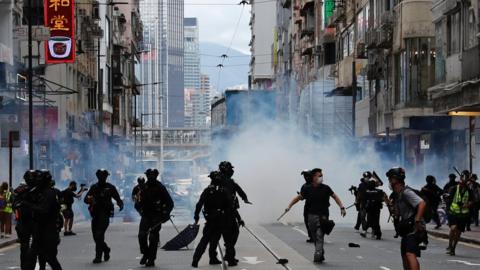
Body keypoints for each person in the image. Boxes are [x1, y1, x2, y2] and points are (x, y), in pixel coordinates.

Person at [286, 168, 346, 263]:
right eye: (319, 175)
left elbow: (335, 196)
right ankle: (320, 251)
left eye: (322, 175)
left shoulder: (326, 188)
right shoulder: (306, 188)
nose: (321, 177)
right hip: (311, 216)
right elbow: (298, 198)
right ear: (313, 177)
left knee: (319, 235)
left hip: (323, 216)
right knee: (314, 236)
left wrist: (342, 207)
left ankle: (317, 254)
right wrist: (289, 206)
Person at [387, 167, 426, 270]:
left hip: (415, 228)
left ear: (395, 180)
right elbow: (398, 213)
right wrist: (391, 207)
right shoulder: (398, 195)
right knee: (405, 255)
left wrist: (417, 220)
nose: (389, 182)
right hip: (407, 229)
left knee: (410, 254)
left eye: (390, 179)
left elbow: (422, 203)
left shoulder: (406, 192)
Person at [192, 171, 233, 268]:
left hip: (210, 220)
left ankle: (196, 260)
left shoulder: (207, 190)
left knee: (205, 240)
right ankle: (231, 261)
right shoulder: (224, 190)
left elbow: (199, 204)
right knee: (228, 241)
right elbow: (230, 206)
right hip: (222, 220)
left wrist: (196, 216)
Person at [213, 161, 251, 265]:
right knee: (231, 235)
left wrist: (244, 198)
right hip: (227, 213)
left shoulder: (217, 180)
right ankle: (230, 259)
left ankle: (216, 257)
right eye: (230, 168)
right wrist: (245, 199)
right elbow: (237, 190)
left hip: (218, 213)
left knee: (219, 236)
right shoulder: (227, 181)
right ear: (226, 169)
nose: (232, 171)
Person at [84, 169, 124, 264]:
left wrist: (120, 204)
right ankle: (106, 249)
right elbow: (86, 199)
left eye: (104, 176)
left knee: (99, 235)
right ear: (97, 176)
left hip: (105, 214)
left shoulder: (110, 187)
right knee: (96, 237)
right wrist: (90, 200)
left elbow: (118, 198)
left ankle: (98, 256)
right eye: (100, 175)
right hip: (95, 215)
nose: (102, 177)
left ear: (106, 177)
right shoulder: (94, 187)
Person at [26, 170, 63, 270]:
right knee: (31, 256)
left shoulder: (50, 193)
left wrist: (28, 205)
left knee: (50, 258)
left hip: (49, 230)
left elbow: (44, 210)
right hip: (39, 230)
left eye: (39, 179)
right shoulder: (38, 191)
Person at [136, 169, 174, 267]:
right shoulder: (142, 187)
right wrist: (140, 209)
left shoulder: (161, 187)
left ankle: (151, 259)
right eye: (149, 175)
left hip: (156, 216)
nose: (151, 177)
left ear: (156, 176)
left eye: (153, 175)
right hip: (145, 215)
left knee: (153, 237)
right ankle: (146, 254)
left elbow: (170, 203)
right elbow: (137, 202)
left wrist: (165, 213)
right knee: (141, 236)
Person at [13, 170, 38, 270]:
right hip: (25, 222)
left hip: (35, 221)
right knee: (25, 247)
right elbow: (15, 205)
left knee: (35, 247)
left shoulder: (39, 191)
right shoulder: (22, 191)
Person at [445, 170, 474, 256]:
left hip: (463, 214)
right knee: (453, 228)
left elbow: (472, 201)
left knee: (458, 232)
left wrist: (468, 204)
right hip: (453, 212)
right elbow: (448, 199)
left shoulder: (469, 191)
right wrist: (448, 210)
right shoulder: (453, 188)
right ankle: (450, 245)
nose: (463, 183)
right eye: (462, 180)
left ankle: (453, 248)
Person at [300, 170, 314, 242]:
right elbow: (302, 198)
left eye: (307, 175)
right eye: (304, 176)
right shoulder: (304, 186)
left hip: (317, 206)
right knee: (307, 220)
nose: (305, 177)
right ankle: (312, 236)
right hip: (308, 206)